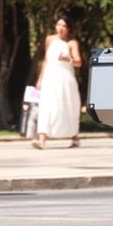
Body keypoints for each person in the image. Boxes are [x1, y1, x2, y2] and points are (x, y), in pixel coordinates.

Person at [33, 16, 82, 149]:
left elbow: (79, 62)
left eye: (64, 26)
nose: (60, 28)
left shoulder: (72, 43)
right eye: (59, 25)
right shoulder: (50, 39)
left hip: (65, 78)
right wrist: (40, 80)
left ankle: (75, 137)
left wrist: (69, 59)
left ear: (68, 29)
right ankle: (42, 138)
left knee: (67, 106)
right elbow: (46, 60)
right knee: (47, 106)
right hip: (50, 77)